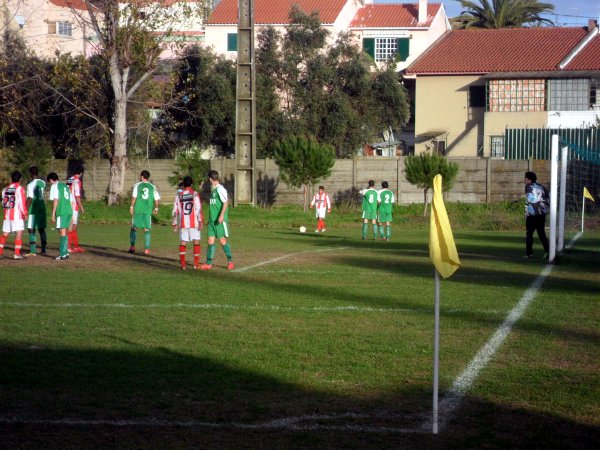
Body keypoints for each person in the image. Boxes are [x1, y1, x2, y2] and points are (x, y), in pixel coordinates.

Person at [200, 170, 234, 270]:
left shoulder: (220, 189)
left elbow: (226, 203)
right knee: (210, 241)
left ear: (211, 179)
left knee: (222, 240)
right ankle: (208, 263)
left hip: (219, 220)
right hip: (212, 221)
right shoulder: (214, 190)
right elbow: (214, 206)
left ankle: (230, 261)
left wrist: (221, 215)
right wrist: (210, 218)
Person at [172, 176, 203, 270]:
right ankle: (195, 265)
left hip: (183, 223)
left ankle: (183, 265)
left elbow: (175, 210)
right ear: (191, 184)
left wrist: (174, 223)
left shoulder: (179, 195)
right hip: (194, 223)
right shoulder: (194, 194)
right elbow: (198, 208)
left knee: (183, 242)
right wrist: (200, 221)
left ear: (183, 184)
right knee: (196, 242)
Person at [129, 170, 161, 255]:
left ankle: (132, 247)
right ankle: (147, 249)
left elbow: (134, 197)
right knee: (147, 229)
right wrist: (156, 208)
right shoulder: (152, 186)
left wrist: (131, 207)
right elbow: (157, 199)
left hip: (138, 209)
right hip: (147, 211)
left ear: (142, 176)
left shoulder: (137, 185)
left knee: (134, 228)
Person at [0, 171, 28, 259]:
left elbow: (3, 203)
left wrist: (6, 212)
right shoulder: (19, 189)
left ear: (11, 178)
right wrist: (25, 213)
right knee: (19, 232)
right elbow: (22, 203)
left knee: (5, 234)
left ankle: (0, 252)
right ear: (20, 179)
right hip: (17, 215)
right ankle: (16, 254)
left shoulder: (5, 189)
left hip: (7, 215)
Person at [524, 171, 550, 260]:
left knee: (529, 234)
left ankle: (529, 254)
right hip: (541, 214)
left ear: (529, 179)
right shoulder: (542, 187)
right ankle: (548, 252)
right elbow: (548, 200)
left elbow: (530, 199)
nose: (524, 180)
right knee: (541, 233)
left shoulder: (528, 187)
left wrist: (527, 211)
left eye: (525, 178)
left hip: (532, 214)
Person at [47, 172, 73, 260]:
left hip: (62, 211)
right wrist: (72, 213)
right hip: (69, 210)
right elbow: (71, 199)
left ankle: (62, 254)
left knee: (62, 232)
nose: (50, 183)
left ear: (51, 180)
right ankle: (65, 252)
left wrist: (53, 214)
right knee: (64, 231)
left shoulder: (54, 186)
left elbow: (56, 200)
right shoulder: (65, 186)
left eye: (49, 181)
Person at [25, 166, 47, 256]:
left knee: (31, 229)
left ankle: (33, 251)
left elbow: (30, 198)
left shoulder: (30, 185)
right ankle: (43, 250)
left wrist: (25, 209)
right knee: (41, 229)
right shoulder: (43, 182)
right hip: (41, 207)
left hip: (33, 209)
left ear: (31, 174)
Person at [66, 164, 85, 252]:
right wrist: (81, 206)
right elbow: (77, 195)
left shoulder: (69, 179)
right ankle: (69, 247)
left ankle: (75, 246)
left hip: (67, 204)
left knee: (72, 226)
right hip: (73, 205)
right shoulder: (77, 181)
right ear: (81, 173)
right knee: (72, 226)